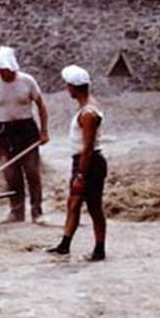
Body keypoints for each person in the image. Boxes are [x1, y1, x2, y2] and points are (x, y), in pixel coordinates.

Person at [0, 45, 50, 223]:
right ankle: (16, 212)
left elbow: (41, 107)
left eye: (4, 69)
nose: (1, 73)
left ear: (12, 67)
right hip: (6, 131)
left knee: (32, 172)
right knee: (11, 174)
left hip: (27, 130)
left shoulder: (27, 81)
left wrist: (44, 132)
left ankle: (37, 212)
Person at [47, 65, 107, 261]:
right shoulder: (86, 107)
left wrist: (81, 174)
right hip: (83, 160)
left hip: (88, 162)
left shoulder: (88, 113)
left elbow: (88, 147)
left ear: (73, 87)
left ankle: (99, 249)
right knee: (73, 203)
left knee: (94, 207)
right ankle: (65, 244)